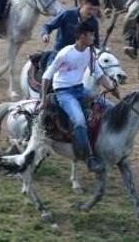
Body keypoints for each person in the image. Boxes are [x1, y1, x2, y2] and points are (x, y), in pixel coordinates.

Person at [41, 22, 115, 173]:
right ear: (83, 36)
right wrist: (43, 99)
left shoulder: (89, 53)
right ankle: (89, 159)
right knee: (80, 122)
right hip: (64, 92)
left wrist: (112, 88)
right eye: (91, 35)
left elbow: (99, 74)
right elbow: (47, 75)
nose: (94, 38)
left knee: (109, 107)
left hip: (80, 89)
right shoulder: (65, 53)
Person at [40, 0, 101, 67]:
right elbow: (47, 26)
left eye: (95, 10)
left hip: (81, 55)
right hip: (60, 53)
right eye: (89, 8)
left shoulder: (94, 22)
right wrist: (45, 34)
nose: (92, 12)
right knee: (50, 73)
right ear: (82, 4)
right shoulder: (67, 14)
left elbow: (96, 43)